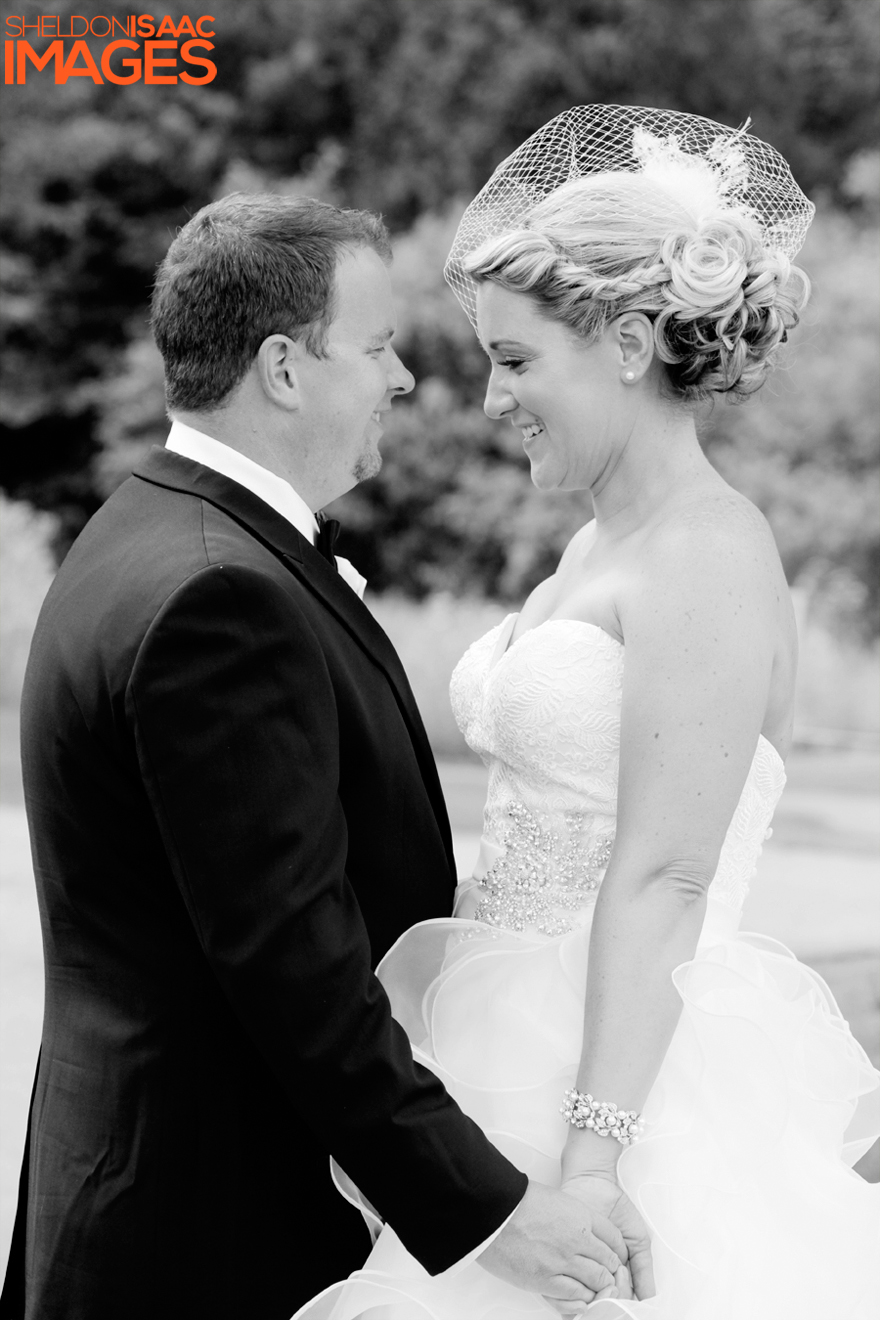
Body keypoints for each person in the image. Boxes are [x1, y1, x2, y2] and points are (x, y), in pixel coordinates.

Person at [0, 193, 644, 1320]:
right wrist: (491, 1214)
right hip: (206, 1238)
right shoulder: (218, 597)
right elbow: (293, 972)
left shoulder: (146, 528)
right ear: (285, 368)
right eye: (381, 346)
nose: (403, 380)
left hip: (141, 1189)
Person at [296, 106, 880, 1319]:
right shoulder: (589, 546)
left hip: (620, 1089)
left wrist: (596, 1160)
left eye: (516, 361)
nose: (493, 399)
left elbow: (664, 874)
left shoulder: (709, 552)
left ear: (624, 343)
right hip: (493, 1042)